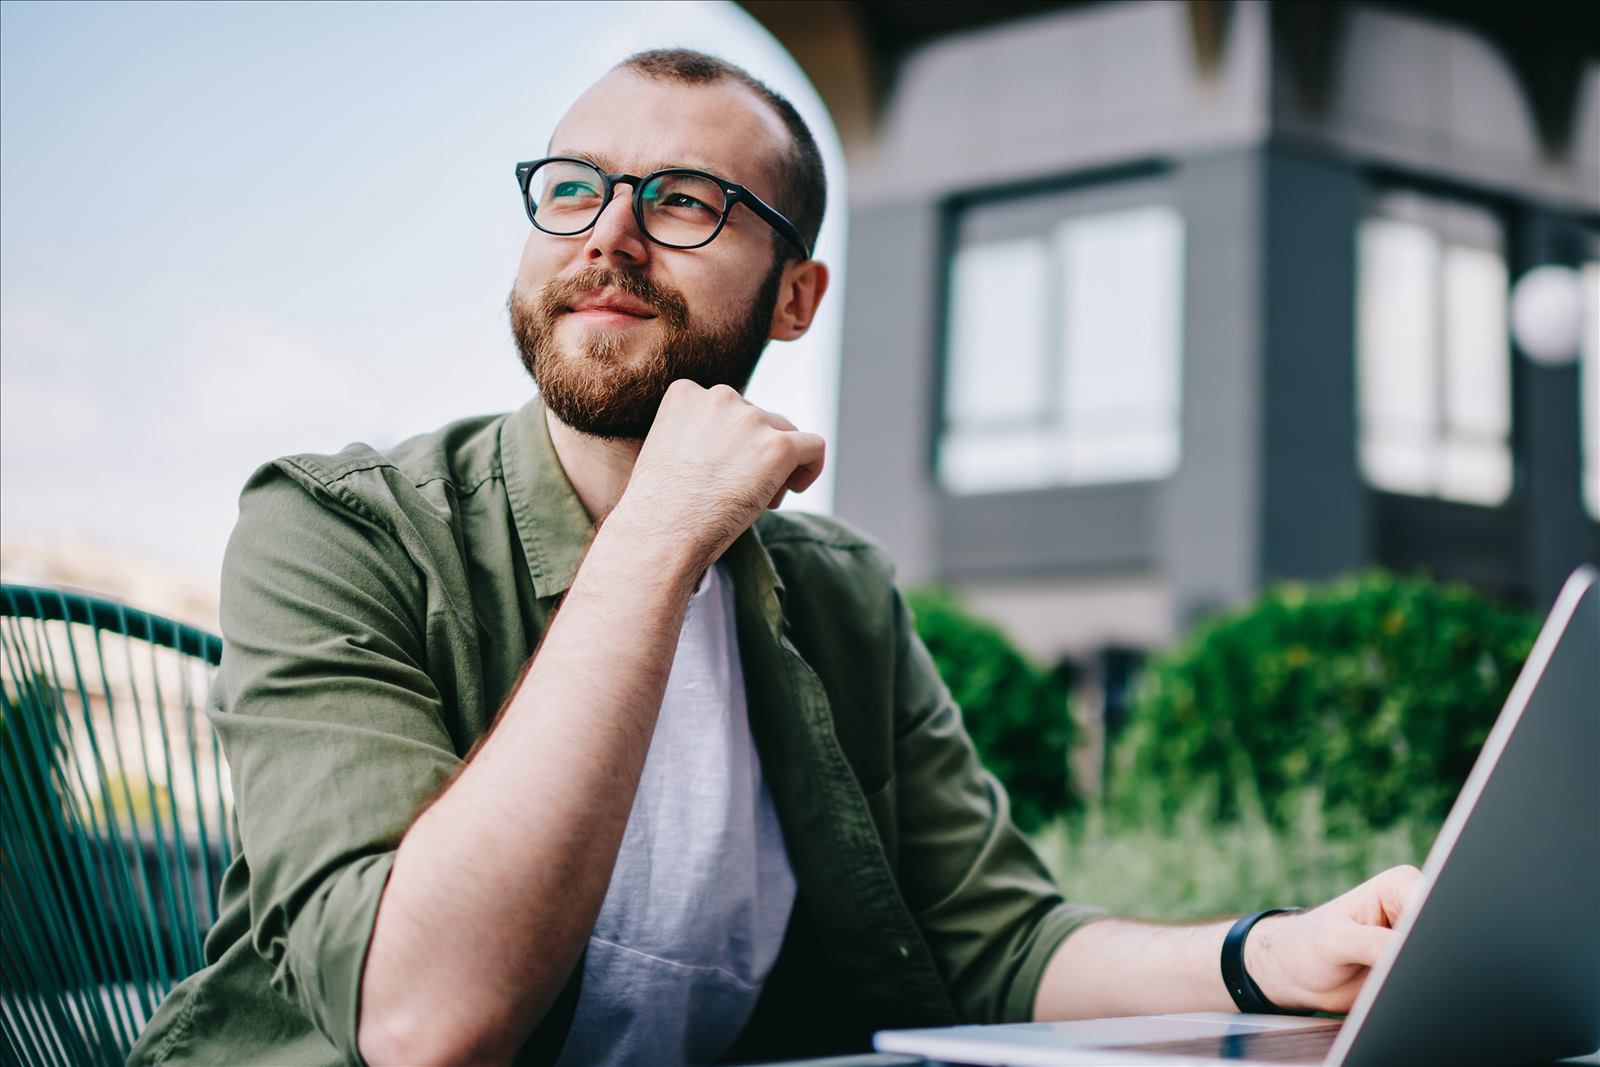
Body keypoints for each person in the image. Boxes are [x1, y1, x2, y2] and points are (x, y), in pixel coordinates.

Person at [130, 47, 1421, 1067]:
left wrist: (1272, 955)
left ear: (795, 299)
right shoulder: (337, 527)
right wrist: (657, 534)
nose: (610, 235)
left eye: (685, 201)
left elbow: (1002, 946)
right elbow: (422, 1024)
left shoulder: (839, 595)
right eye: (575, 185)